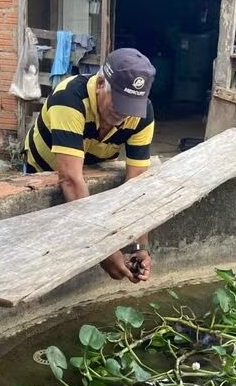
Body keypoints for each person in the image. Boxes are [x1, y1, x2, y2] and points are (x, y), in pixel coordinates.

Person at [24, 48, 156, 282]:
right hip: (44, 169)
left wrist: (138, 246)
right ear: (100, 83)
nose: (124, 115)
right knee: (36, 247)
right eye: (119, 103)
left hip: (89, 167)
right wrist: (103, 251)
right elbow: (70, 180)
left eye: (131, 107)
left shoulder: (142, 114)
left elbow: (138, 187)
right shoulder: (69, 99)